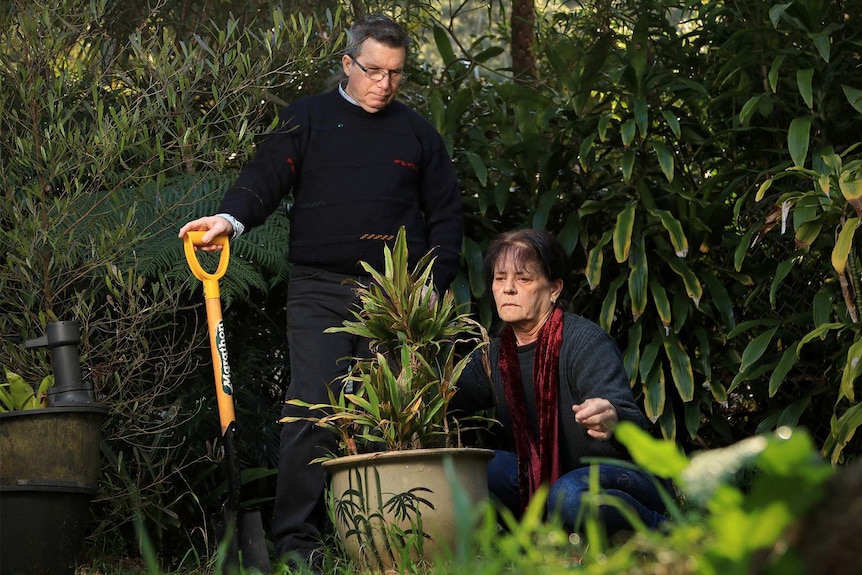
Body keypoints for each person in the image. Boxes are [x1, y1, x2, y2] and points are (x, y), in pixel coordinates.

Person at [178, 14, 463, 568]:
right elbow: (264, 178)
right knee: (312, 410)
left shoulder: (418, 134)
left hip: (395, 298)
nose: (384, 83)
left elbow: (447, 217)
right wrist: (229, 221)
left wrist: (432, 289)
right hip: (319, 290)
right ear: (347, 64)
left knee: (389, 415)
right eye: (374, 70)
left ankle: (388, 540)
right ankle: (297, 544)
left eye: (396, 73)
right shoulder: (306, 119)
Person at [452, 228, 667, 537]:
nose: (508, 289)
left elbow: (631, 422)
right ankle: (551, 536)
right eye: (500, 279)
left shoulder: (585, 342)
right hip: (545, 481)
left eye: (523, 279)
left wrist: (611, 418)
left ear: (554, 289)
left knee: (568, 494)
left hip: (623, 476)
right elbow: (446, 394)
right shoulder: (495, 355)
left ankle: (664, 529)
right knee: (478, 468)